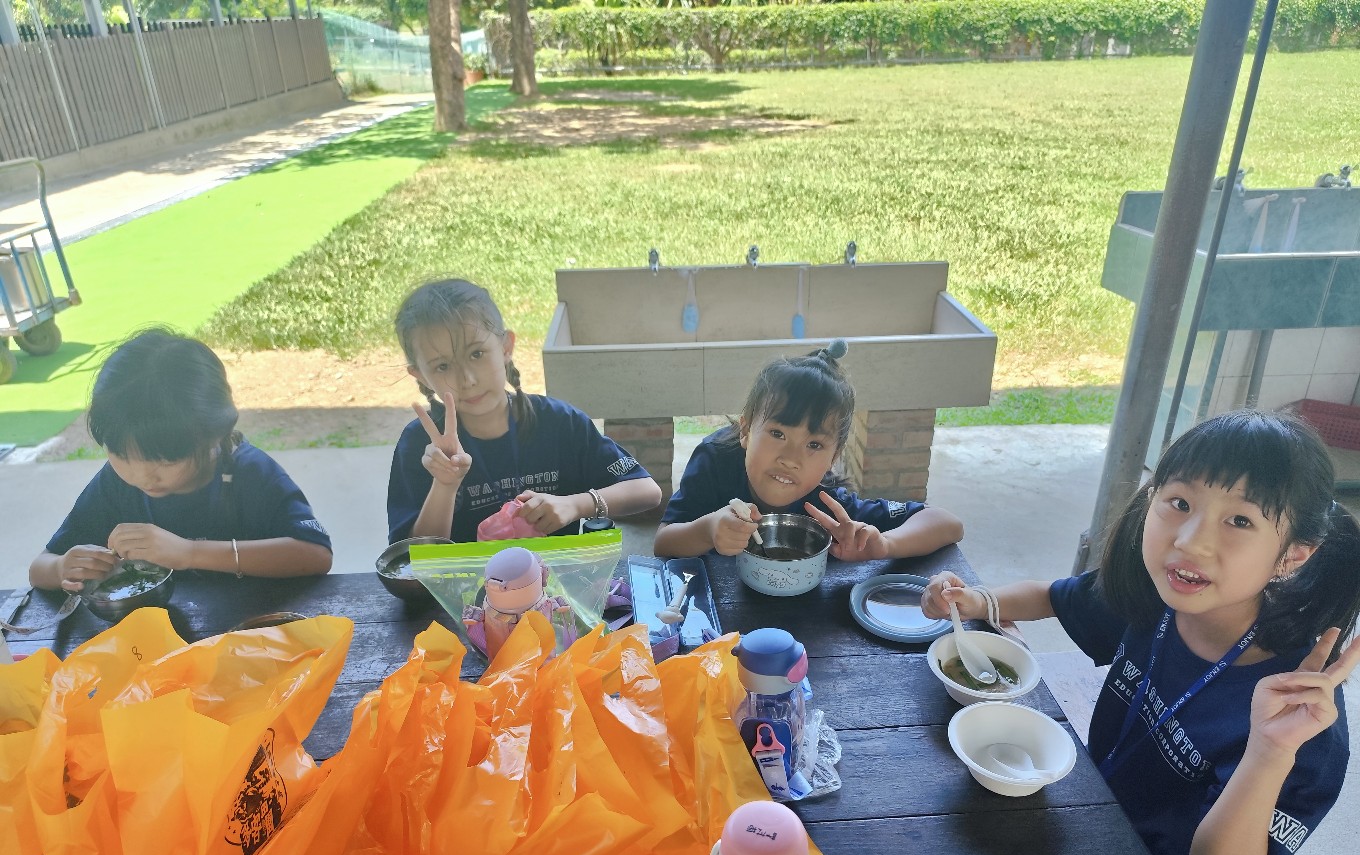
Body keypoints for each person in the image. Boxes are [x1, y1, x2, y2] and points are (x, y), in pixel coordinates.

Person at [921, 409, 1360, 855]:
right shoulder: (1159, 597)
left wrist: (1270, 750)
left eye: (1240, 521)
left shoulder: (1299, 718)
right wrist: (976, 600)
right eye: (1180, 503)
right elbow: (1053, 596)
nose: (1191, 541)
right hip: (1090, 831)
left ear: (1292, 556)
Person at [29, 329, 333, 591]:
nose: (142, 476)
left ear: (215, 433)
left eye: (165, 461)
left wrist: (190, 553)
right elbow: (40, 567)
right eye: (121, 455)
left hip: (252, 629)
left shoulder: (249, 473)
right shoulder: (114, 483)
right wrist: (63, 568)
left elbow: (316, 555)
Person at [386, 279, 662, 544]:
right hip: (465, 578)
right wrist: (445, 485)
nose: (467, 380)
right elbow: (414, 557)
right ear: (420, 375)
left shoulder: (560, 423)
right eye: (443, 366)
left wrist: (576, 504)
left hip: (553, 576)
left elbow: (647, 491)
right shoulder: (421, 444)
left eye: (476, 354)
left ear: (506, 347)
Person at [654, 340, 963, 559]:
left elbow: (946, 522)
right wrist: (707, 530)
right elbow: (663, 543)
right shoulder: (715, 461)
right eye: (778, 433)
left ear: (834, 457)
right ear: (746, 431)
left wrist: (885, 545)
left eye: (814, 444)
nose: (791, 459)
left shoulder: (827, 506)